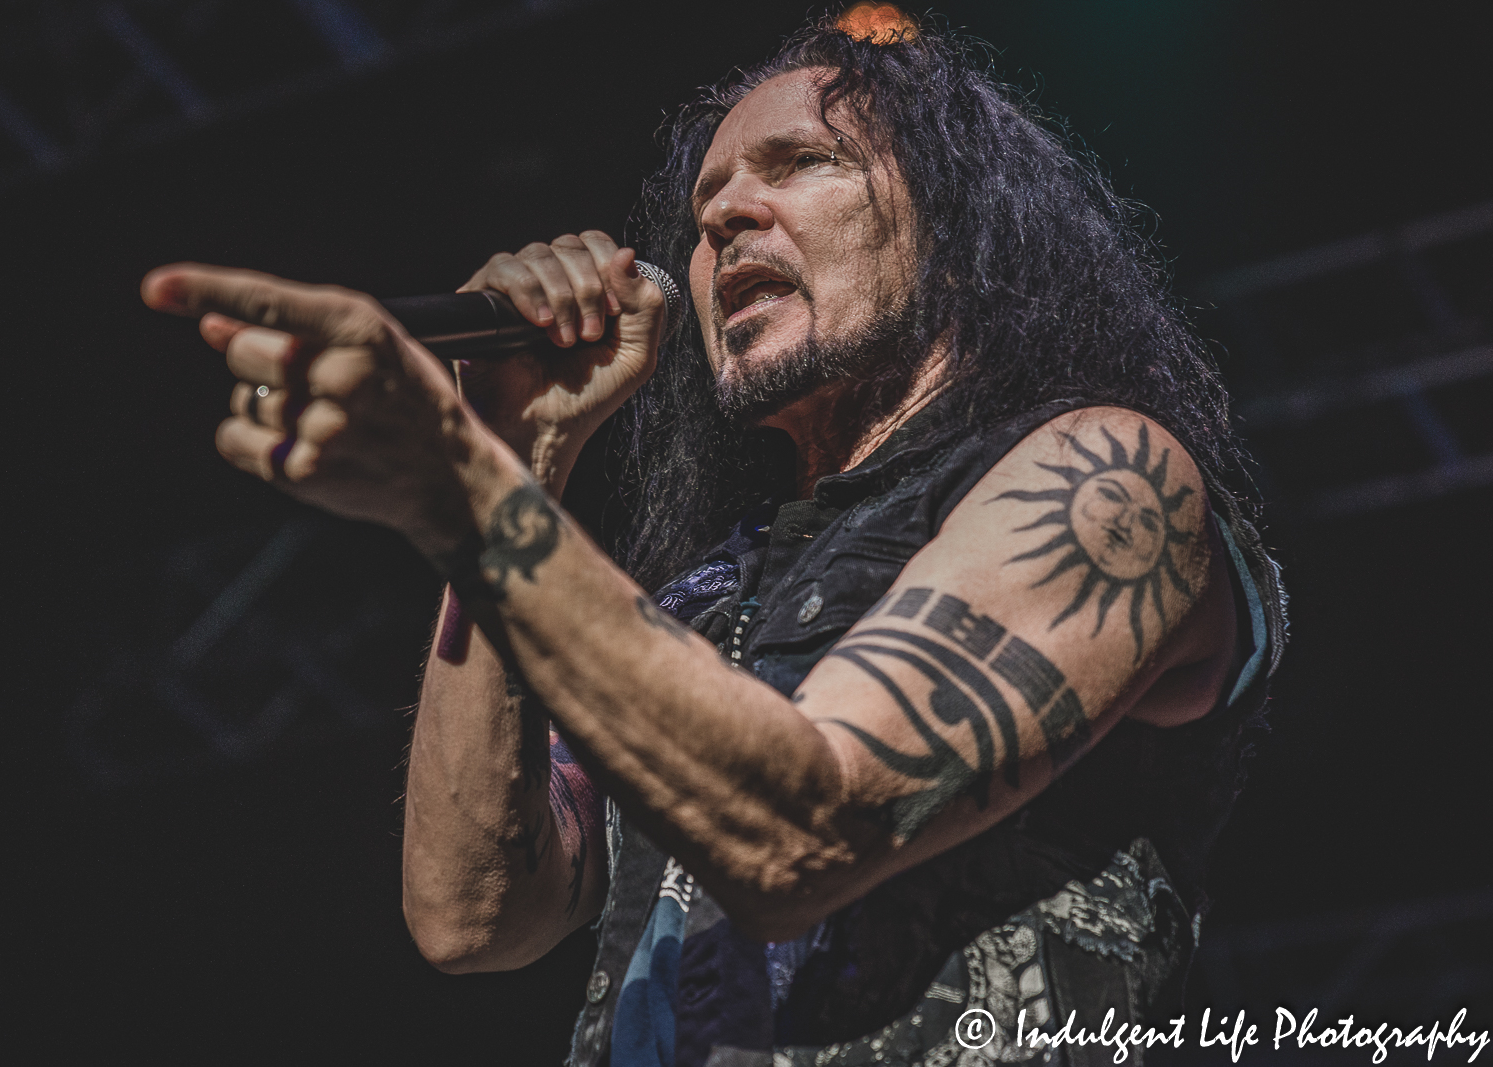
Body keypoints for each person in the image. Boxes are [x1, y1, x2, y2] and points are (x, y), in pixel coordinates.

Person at [142, 9, 1285, 1066]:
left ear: (959, 227)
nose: (728, 214)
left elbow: (808, 823)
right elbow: (473, 912)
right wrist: (510, 457)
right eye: (704, 210)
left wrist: (461, 493)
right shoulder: (704, 595)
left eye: (801, 164)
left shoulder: (1110, 477)